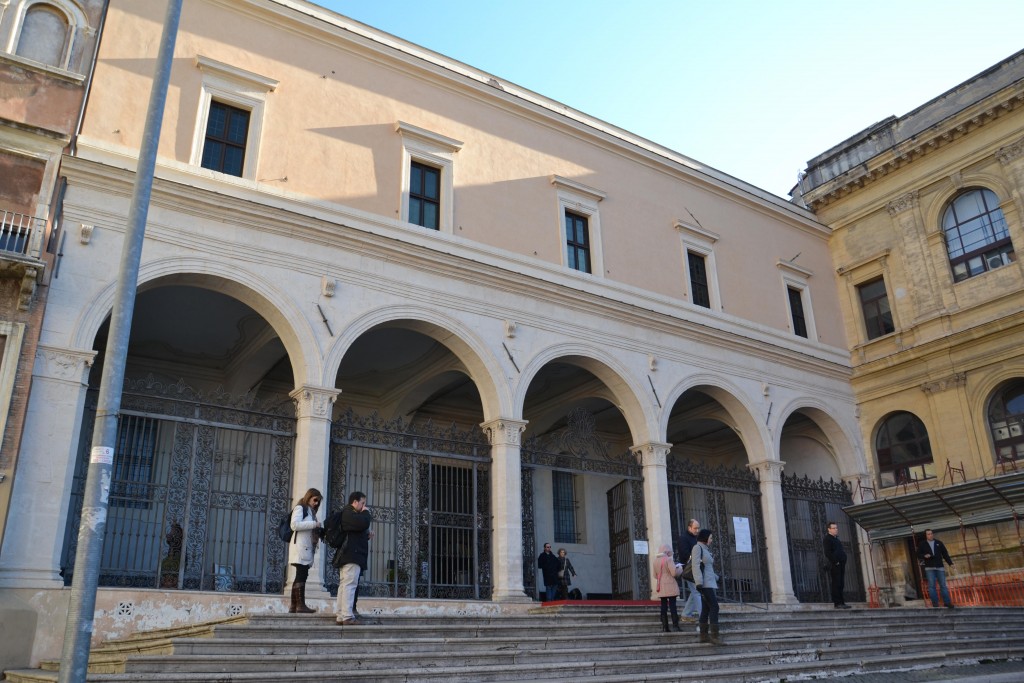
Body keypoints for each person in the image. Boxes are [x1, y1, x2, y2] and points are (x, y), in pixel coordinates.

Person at [333, 491, 373, 625]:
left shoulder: (351, 514)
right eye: (362, 503)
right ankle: (347, 616)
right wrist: (366, 512)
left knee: (345, 585)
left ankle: (341, 614)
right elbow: (363, 523)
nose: (364, 506)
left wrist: (366, 536)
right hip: (351, 555)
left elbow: (356, 530)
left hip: (350, 554)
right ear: (355, 502)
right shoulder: (349, 512)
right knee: (350, 585)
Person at [287, 488, 323, 614]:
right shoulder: (300, 508)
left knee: (301, 575)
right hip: (300, 547)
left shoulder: (310, 511)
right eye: (315, 500)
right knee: (301, 574)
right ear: (309, 497)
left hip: (305, 547)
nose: (316, 503)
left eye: (318, 501)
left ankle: (294, 605)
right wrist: (314, 524)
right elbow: (294, 525)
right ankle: (300, 605)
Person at [691, 528, 721, 644]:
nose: (712, 540)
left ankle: (703, 636)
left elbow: (707, 568)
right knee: (714, 607)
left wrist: (717, 577)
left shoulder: (705, 549)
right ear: (705, 538)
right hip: (704, 584)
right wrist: (698, 582)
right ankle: (715, 636)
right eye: (711, 538)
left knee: (706, 609)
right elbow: (695, 566)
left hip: (709, 582)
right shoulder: (697, 548)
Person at [918, 528, 955, 608]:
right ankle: (935, 603)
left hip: (939, 567)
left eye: (931, 533)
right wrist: (924, 556)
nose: (930, 535)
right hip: (929, 568)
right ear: (926, 535)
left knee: (943, 585)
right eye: (928, 534)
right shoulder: (922, 544)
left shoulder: (939, 543)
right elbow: (918, 554)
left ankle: (947, 602)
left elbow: (945, 554)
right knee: (931, 586)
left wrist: (950, 563)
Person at [653, 544, 683, 632]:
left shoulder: (655, 561)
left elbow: (655, 575)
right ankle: (675, 626)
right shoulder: (668, 559)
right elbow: (674, 573)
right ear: (667, 551)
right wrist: (680, 568)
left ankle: (665, 626)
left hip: (661, 585)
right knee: (673, 605)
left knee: (663, 605)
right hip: (670, 584)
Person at [823, 521, 851, 609]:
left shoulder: (836, 539)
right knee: (836, 583)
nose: (836, 529)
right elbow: (827, 553)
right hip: (835, 565)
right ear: (829, 529)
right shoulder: (827, 539)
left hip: (841, 564)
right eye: (834, 528)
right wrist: (836, 562)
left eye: (836, 528)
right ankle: (837, 603)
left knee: (841, 583)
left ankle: (842, 602)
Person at [678, 519, 702, 619]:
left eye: (698, 528)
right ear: (689, 528)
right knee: (697, 592)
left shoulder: (696, 538)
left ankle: (686, 613)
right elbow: (684, 554)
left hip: (697, 568)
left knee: (695, 592)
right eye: (695, 528)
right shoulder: (683, 538)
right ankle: (703, 615)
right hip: (689, 569)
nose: (697, 530)